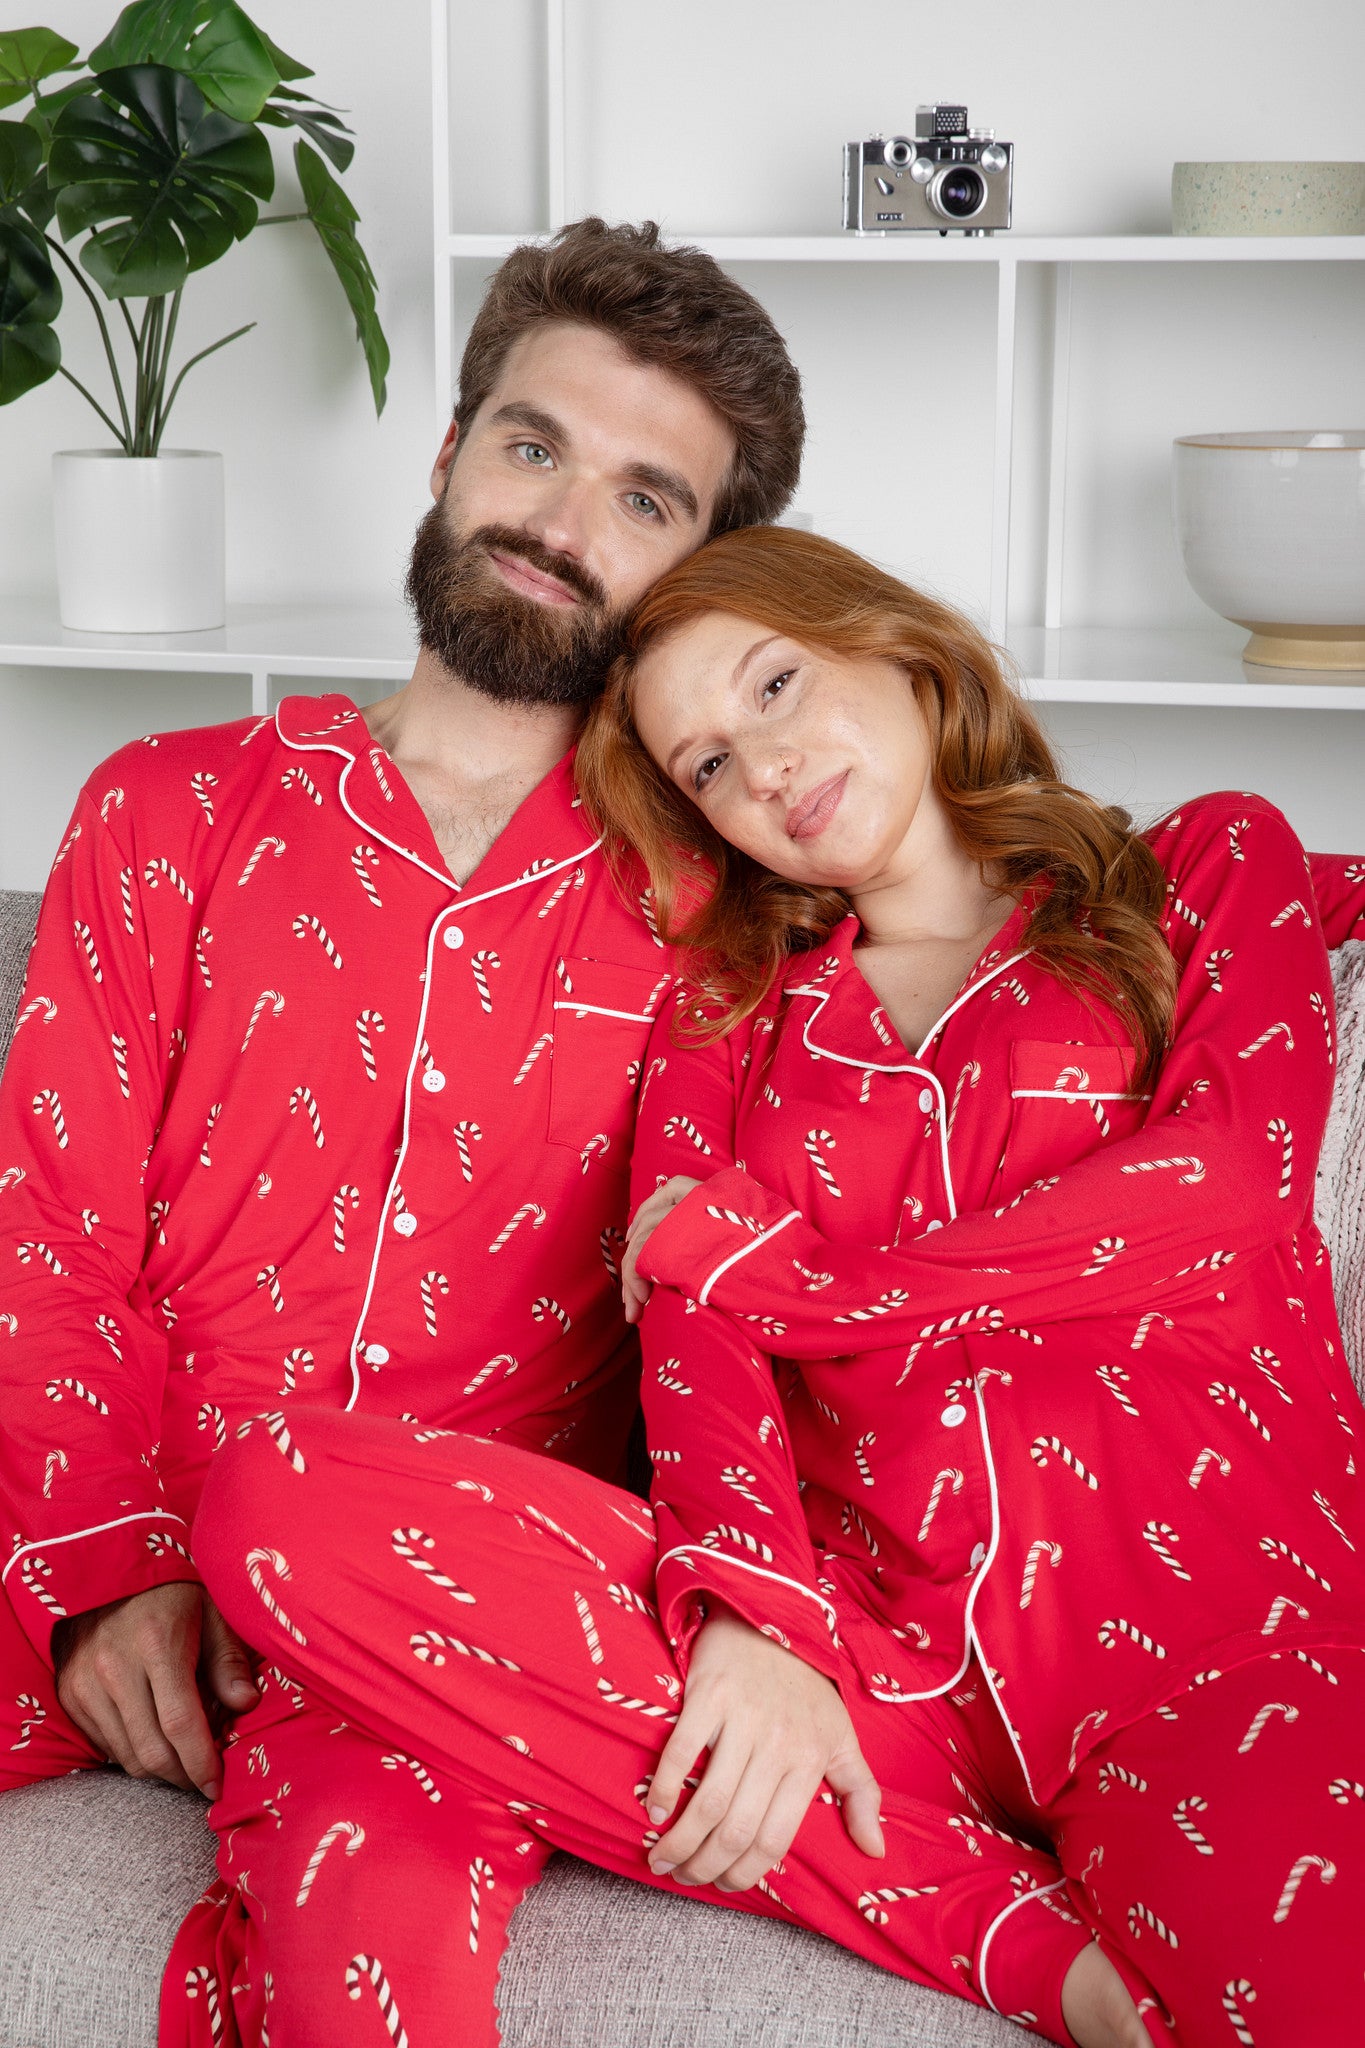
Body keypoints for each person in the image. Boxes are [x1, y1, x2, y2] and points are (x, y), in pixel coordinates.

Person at [185, 525, 1365, 2048]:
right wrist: (754, 1614)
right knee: (274, 1500)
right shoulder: (730, 1022)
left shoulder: (1202, 868)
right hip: (876, 1676)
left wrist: (798, 1282)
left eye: (777, 684)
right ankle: (1015, 1944)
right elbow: (693, 1338)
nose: (767, 768)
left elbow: (1222, 1186)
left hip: (1220, 1642)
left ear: (895, 642)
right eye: (710, 767)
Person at [0, 221, 801, 2031]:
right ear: (449, 456)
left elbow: (1001, 883)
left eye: (643, 499)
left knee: (370, 1973)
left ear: (698, 571)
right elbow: (45, 1232)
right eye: (532, 445)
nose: (560, 520)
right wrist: (105, 1572)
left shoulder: (734, 901)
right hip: (103, 1524)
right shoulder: (165, 811)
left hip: (432, 1624)